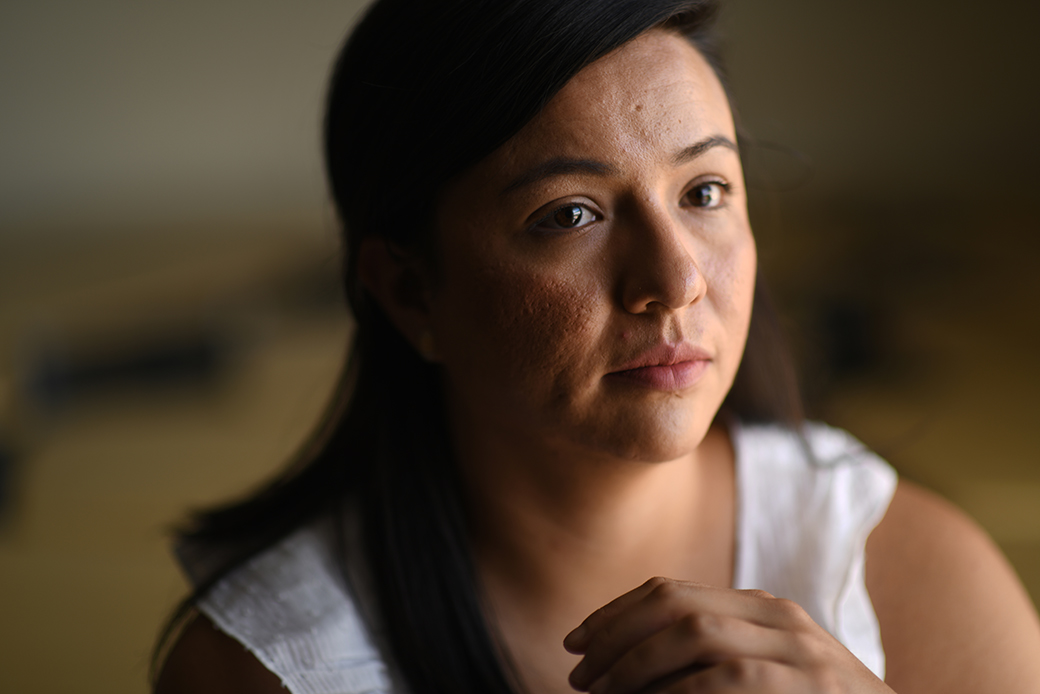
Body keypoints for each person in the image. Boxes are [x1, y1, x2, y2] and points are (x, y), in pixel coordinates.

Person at [153, 0, 1040, 692]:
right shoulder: (267, 668)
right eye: (570, 214)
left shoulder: (902, 574)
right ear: (412, 289)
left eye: (703, 192)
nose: (676, 279)